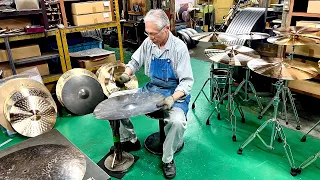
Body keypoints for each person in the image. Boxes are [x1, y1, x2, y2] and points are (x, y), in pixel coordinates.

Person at [116, 9, 194, 179]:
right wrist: (126, 74)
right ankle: (130, 140)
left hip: (174, 93)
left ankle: (167, 159)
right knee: (117, 101)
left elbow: (187, 81)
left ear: (166, 29)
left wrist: (173, 98)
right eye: (148, 33)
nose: (150, 37)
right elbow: (135, 61)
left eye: (153, 33)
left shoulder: (179, 48)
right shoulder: (148, 43)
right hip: (152, 89)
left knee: (177, 121)